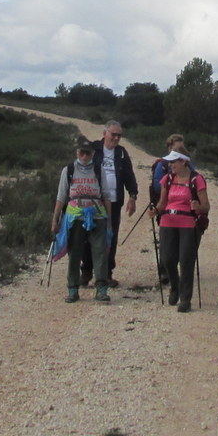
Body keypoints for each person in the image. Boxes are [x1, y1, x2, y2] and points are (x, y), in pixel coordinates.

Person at [51, 136, 114, 303]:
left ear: (92, 153)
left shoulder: (99, 170)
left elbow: (106, 196)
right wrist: (55, 220)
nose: (84, 156)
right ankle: (73, 289)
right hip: (75, 216)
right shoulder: (69, 169)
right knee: (75, 253)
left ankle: (101, 288)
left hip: (97, 215)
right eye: (82, 153)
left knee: (99, 252)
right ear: (77, 152)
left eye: (87, 153)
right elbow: (61, 196)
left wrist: (109, 221)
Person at [80, 120, 138, 288]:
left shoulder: (121, 153)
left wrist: (132, 196)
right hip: (93, 201)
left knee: (110, 238)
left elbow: (129, 175)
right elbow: (80, 166)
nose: (116, 138)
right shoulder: (94, 149)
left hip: (114, 202)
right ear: (105, 133)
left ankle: (106, 274)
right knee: (88, 237)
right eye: (114, 134)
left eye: (119, 135)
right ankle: (86, 272)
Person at [153, 148, 209, 313]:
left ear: (184, 161)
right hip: (167, 222)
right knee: (167, 259)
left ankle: (185, 299)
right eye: (170, 162)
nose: (170, 165)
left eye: (174, 161)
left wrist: (198, 207)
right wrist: (155, 211)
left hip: (189, 223)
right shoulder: (167, 179)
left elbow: (206, 206)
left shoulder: (196, 180)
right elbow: (162, 203)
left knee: (186, 261)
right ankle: (175, 286)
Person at [150, 133, 194, 286]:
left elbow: (194, 179)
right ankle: (165, 270)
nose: (179, 150)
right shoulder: (162, 165)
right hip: (166, 209)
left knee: (182, 247)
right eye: (176, 148)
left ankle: (176, 277)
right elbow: (157, 185)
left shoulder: (188, 165)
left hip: (185, 215)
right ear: (169, 148)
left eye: (181, 147)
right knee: (166, 244)